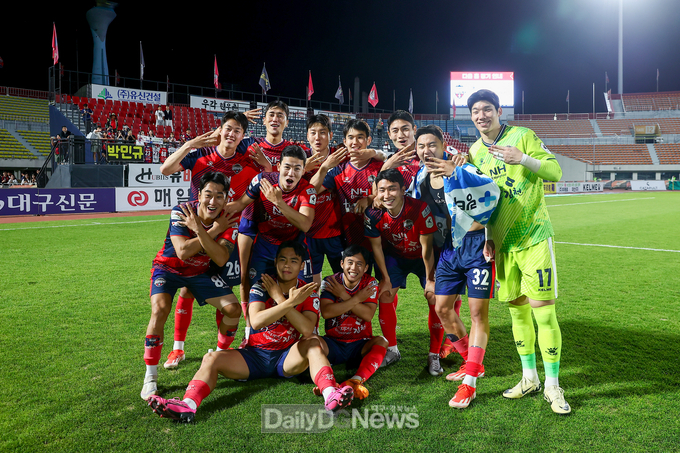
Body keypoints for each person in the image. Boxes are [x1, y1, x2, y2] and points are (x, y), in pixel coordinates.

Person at [146, 241, 354, 422]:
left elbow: (307, 329)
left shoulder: (307, 291)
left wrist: (282, 300)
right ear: (275, 262)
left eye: (293, 261)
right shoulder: (262, 286)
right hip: (255, 355)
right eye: (282, 260)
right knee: (211, 358)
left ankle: (330, 395)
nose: (286, 265)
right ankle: (188, 405)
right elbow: (256, 321)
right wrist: (290, 303)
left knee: (313, 344)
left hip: (287, 356)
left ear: (301, 265)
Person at [466, 89, 569, 414]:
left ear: (498, 110)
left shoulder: (523, 136)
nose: (481, 115)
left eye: (486, 109)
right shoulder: (474, 151)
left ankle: (553, 385)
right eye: (475, 111)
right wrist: (486, 235)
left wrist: (522, 158)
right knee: (516, 310)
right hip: (502, 243)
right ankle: (529, 378)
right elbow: (483, 200)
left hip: (535, 237)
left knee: (543, 311)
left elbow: (555, 172)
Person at [159, 111, 258, 369]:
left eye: (237, 130)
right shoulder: (200, 155)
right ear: (219, 129)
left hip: (227, 230)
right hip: (196, 227)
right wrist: (189, 144)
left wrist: (241, 203)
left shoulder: (246, 159)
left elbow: (267, 180)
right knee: (186, 287)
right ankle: (177, 349)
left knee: (225, 289)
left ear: (242, 136)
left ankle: (221, 351)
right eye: (228, 128)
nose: (231, 134)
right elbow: (166, 168)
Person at [414, 124, 499, 408]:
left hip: (476, 246)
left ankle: (470, 383)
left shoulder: (463, 169)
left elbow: (491, 197)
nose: (427, 151)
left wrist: (488, 236)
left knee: (477, 314)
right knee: (442, 308)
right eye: (421, 146)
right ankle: (471, 363)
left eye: (432, 145)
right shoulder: (420, 178)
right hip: (449, 252)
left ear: (443, 145)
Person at [140, 172, 240, 400]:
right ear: (199, 194)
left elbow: (221, 258)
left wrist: (201, 230)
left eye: (219, 196)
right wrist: (212, 230)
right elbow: (183, 252)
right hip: (168, 269)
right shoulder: (181, 211)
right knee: (159, 310)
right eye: (208, 195)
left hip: (199, 272)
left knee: (233, 309)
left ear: (226, 198)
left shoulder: (230, 219)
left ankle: (221, 356)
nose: (213, 201)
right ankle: (150, 378)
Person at [364, 169, 438, 368]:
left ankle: (434, 354)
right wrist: (385, 278)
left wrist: (430, 279)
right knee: (385, 294)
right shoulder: (373, 213)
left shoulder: (419, 208)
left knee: (434, 296)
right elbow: (376, 247)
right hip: (396, 257)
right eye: (382, 190)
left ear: (404, 190)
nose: (387, 195)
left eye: (392, 189)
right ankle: (392, 350)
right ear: (376, 192)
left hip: (421, 258)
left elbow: (427, 247)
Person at [228, 145, 317, 294]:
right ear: (279, 166)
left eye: (297, 169)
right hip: (265, 246)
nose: (291, 173)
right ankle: (251, 318)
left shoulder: (307, 190)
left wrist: (278, 202)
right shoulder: (263, 181)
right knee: (257, 292)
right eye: (287, 167)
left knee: (302, 294)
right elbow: (239, 204)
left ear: (303, 171)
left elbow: (305, 224)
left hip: (294, 247)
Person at [316, 245, 388, 400]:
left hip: (360, 344)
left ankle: (356, 379)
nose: (353, 267)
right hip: (333, 343)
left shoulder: (370, 283)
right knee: (312, 342)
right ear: (342, 264)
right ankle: (329, 384)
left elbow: (368, 315)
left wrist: (343, 296)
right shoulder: (330, 281)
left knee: (382, 341)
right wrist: (356, 299)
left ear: (366, 267)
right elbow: (327, 312)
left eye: (359, 264)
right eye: (350, 262)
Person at [302, 114, 345, 285]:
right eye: (313, 133)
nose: (317, 137)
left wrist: (374, 151)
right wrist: (306, 168)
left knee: (344, 280)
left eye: (323, 132)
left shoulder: (340, 155)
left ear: (330, 135)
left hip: (336, 232)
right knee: (312, 284)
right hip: (309, 232)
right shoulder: (300, 158)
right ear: (307, 135)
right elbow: (306, 192)